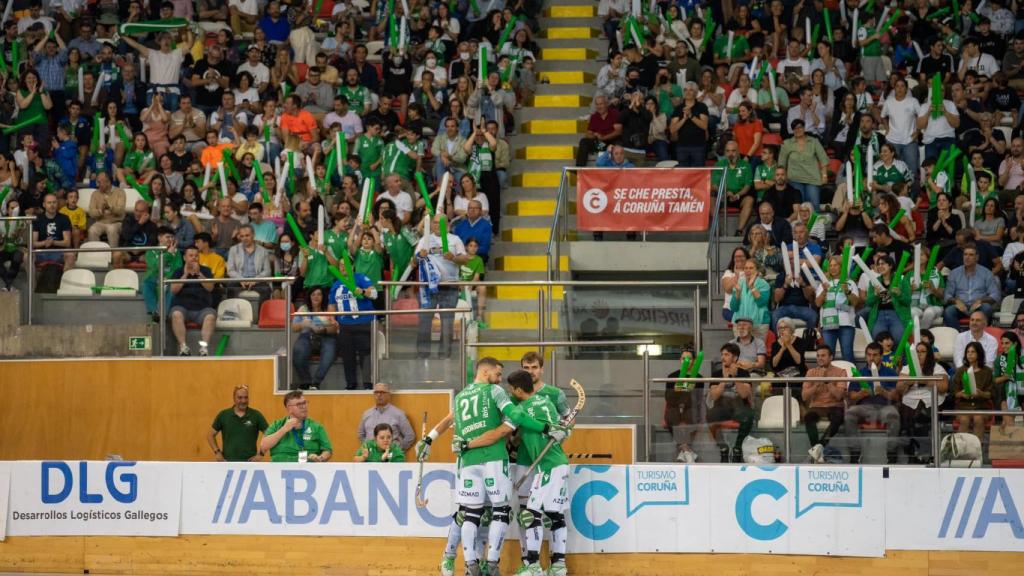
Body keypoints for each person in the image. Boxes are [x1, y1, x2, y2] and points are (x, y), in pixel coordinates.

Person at [415, 358, 568, 576]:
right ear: (486, 373)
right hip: (492, 457)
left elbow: (449, 420)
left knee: (470, 513)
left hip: (467, 457)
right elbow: (514, 419)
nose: (500, 379)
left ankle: (469, 563)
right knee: (496, 512)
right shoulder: (495, 392)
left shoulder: (461, 396)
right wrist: (546, 428)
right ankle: (485, 563)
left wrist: (429, 439)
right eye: (497, 374)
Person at [508, 369, 570, 576]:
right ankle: (559, 566)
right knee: (555, 514)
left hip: (548, 466)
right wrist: (557, 430)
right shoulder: (547, 403)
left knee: (531, 514)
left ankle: (533, 566)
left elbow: (518, 419)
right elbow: (564, 429)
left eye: (511, 388)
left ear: (517, 390)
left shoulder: (522, 408)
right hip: (558, 463)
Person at [416, 214, 468, 358]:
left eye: (441, 223)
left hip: (449, 286)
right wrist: (420, 255)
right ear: (431, 224)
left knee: (447, 322)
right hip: (428, 286)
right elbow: (413, 261)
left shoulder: (455, 239)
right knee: (425, 321)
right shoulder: (425, 240)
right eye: (435, 223)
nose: (438, 225)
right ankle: (423, 354)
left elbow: (465, 259)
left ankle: (445, 355)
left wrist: (454, 258)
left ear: (448, 225)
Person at [844, 342, 900, 464]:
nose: (871, 358)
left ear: (881, 356)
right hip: (864, 407)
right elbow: (851, 398)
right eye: (869, 355)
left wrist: (884, 393)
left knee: (893, 415)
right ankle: (855, 452)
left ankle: (891, 454)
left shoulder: (890, 373)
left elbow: (896, 396)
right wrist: (860, 395)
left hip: (885, 406)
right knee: (850, 414)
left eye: (875, 355)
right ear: (865, 356)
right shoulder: (859, 373)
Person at [327, 262, 376, 390]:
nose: (343, 267)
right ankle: (350, 383)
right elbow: (331, 304)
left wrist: (363, 291)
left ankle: (368, 383)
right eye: (340, 265)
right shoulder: (335, 285)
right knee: (347, 355)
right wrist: (332, 318)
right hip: (344, 325)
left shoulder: (360, 278)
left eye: (345, 265)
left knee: (365, 354)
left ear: (352, 266)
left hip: (364, 323)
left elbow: (374, 293)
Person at [707, 343, 754, 463]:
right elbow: (714, 395)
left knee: (748, 416)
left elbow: (744, 394)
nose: (723, 357)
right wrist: (725, 378)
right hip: (722, 405)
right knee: (710, 416)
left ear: (735, 358)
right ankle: (723, 447)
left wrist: (735, 377)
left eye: (726, 355)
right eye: (722, 354)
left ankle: (737, 448)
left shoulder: (744, 373)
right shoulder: (716, 375)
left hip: (739, 405)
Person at [803, 344, 849, 463]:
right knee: (808, 417)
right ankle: (817, 449)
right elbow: (804, 396)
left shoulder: (840, 372)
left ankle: (819, 447)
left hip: (834, 405)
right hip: (816, 406)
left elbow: (839, 396)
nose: (820, 358)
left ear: (831, 357)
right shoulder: (811, 373)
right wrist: (817, 384)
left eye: (823, 355)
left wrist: (827, 382)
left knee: (838, 417)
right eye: (818, 356)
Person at [260, 390, 333, 463]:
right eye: (299, 404)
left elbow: (328, 450)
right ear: (289, 408)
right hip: (280, 469)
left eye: (304, 403)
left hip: (308, 467)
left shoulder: (316, 427)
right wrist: (283, 429)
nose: (304, 406)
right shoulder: (277, 425)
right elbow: (263, 446)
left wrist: (320, 458)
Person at [169, 245, 215, 356]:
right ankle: (183, 347)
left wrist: (199, 274)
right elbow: (173, 291)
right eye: (191, 256)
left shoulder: (206, 271)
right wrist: (185, 275)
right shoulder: (178, 271)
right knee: (175, 314)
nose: (194, 258)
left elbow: (210, 288)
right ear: (184, 258)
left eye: (196, 256)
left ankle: (204, 349)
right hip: (182, 307)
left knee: (211, 317)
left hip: (202, 308)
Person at [816, 254, 862, 362]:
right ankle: (828, 379)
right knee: (827, 356)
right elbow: (818, 303)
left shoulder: (850, 283)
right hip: (828, 323)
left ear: (841, 266)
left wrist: (846, 290)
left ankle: (851, 379)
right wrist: (824, 291)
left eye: (835, 265)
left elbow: (855, 302)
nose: (832, 268)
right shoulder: (824, 284)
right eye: (830, 266)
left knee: (847, 354)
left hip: (846, 324)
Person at [291, 286, 338, 390]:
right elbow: (294, 328)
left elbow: (335, 328)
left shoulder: (329, 308)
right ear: (309, 297)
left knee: (330, 351)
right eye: (313, 294)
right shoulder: (303, 308)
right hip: (307, 335)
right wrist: (303, 324)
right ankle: (306, 381)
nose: (316, 297)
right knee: (298, 349)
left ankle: (316, 383)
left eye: (319, 294)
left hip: (327, 336)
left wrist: (324, 329)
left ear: (323, 296)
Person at [943, 243, 1001, 328]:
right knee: (949, 311)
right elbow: (947, 295)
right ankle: (958, 337)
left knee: (987, 308)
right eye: (965, 254)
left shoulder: (986, 273)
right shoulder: (954, 273)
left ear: (977, 257)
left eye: (971, 255)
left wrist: (980, 301)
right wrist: (956, 301)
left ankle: (978, 336)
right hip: (960, 307)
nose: (967, 257)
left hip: (978, 307)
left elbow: (995, 295)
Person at [207, 385, 269, 462]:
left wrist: (261, 454)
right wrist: (217, 452)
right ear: (234, 398)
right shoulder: (224, 415)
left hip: (250, 464)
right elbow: (210, 435)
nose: (243, 401)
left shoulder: (256, 415)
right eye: (240, 397)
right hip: (227, 462)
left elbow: (269, 434)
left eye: (246, 397)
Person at [953, 342, 996, 444]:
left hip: (982, 406)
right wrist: (962, 394)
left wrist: (981, 394)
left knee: (978, 418)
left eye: (973, 352)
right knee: (964, 420)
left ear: (979, 354)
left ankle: (977, 450)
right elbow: (954, 393)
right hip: (963, 406)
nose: (969, 354)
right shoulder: (960, 371)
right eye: (968, 352)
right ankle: (961, 449)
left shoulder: (987, 371)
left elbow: (991, 394)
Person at [665, 348, 701, 463]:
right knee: (671, 416)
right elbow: (668, 398)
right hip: (674, 405)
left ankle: (683, 450)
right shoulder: (672, 376)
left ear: (694, 361)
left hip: (690, 406)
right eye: (684, 358)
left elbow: (698, 398)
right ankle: (686, 449)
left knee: (692, 415)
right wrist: (676, 390)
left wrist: (685, 391)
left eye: (689, 359)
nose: (686, 361)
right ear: (680, 360)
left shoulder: (699, 377)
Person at [357, 382, 415, 450]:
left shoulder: (398, 414)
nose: (379, 395)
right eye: (376, 392)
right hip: (370, 457)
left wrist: (396, 450)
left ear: (388, 395)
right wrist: (367, 448)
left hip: (390, 457)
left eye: (382, 392)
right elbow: (361, 434)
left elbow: (410, 436)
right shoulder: (366, 414)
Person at [226, 224, 272, 303]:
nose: (244, 238)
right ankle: (234, 314)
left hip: (257, 281)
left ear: (253, 235)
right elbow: (230, 270)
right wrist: (241, 279)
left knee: (266, 289)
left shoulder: (263, 251)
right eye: (242, 236)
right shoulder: (233, 249)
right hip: (239, 280)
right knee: (231, 288)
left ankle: (261, 314)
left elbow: (267, 271)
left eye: (247, 235)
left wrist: (255, 280)